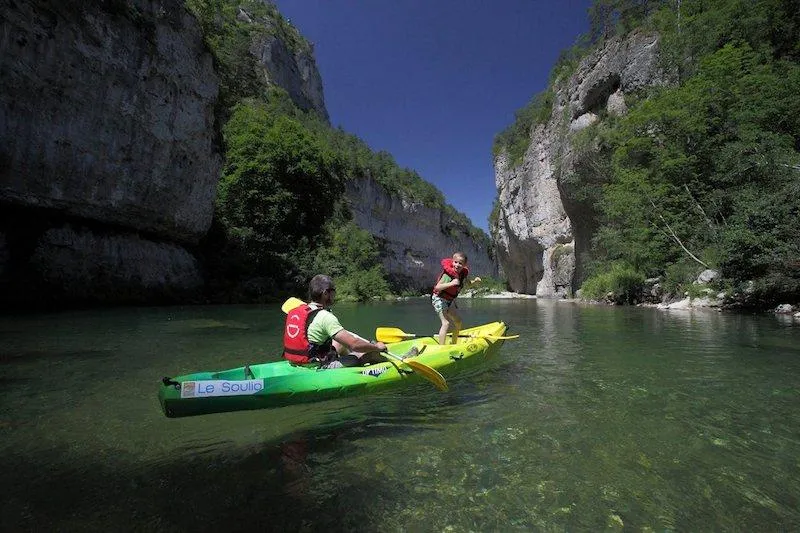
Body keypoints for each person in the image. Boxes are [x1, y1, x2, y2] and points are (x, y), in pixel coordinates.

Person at [283, 274, 390, 369]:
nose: (335, 295)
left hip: (295, 360)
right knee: (363, 356)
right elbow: (354, 344)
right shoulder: (325, 316)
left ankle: (344, 358)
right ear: (325, 293)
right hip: (315, 365)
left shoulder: (300, 311)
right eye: (333, 291)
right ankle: (379, 364)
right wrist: (376, 347)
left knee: (339, 342)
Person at [432, 252, 482, 345]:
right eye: (455, 262)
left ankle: (454, 343)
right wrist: (452, 283)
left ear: (464, 265)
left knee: (458, 322)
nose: (457, 265)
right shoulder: (448, 275)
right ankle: (441, 348)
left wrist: (475, 281)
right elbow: (437, 287)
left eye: (460, 263)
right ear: (452, 262)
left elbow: (468, 283)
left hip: (449, 301)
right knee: (446, 323)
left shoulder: (462, 274)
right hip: (439, 299)